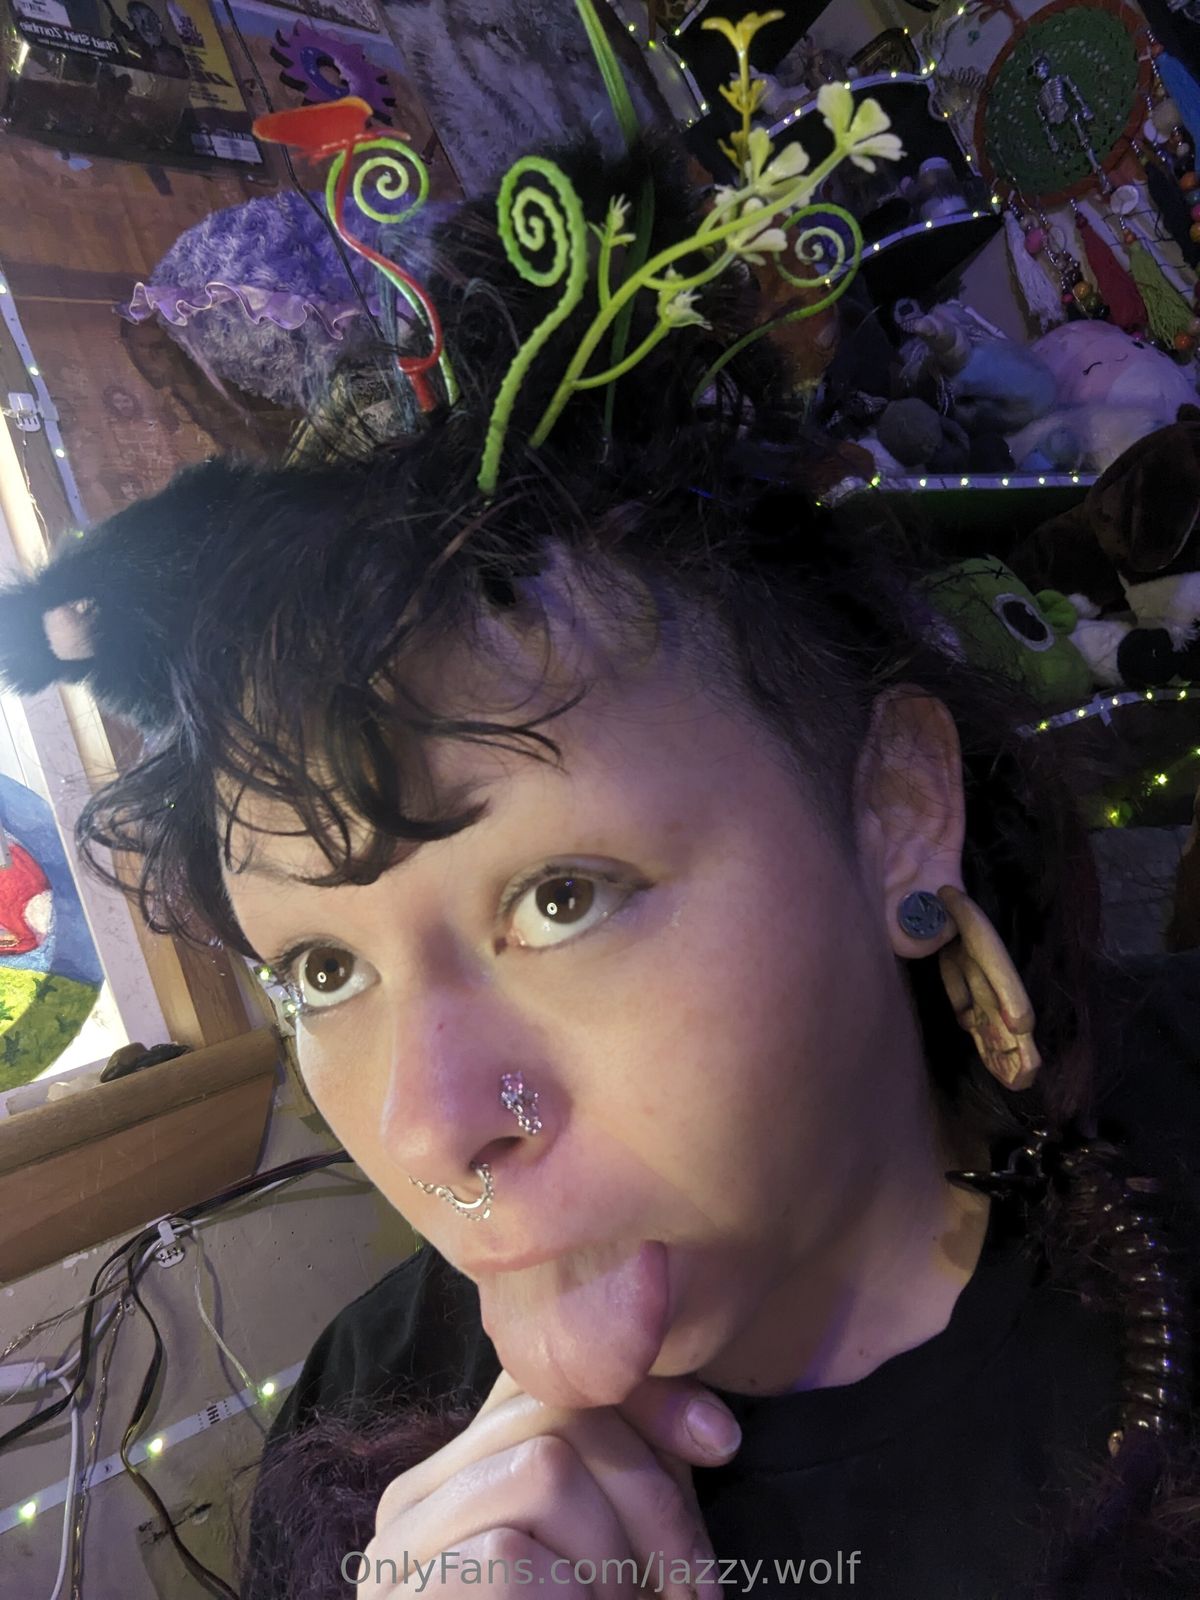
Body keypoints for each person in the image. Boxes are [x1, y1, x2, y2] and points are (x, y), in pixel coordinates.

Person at [0, 132, 1198, 1600]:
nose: (430, 1127)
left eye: (560, 899)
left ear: (898, 808)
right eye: (320, 969)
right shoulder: (358, 1429)